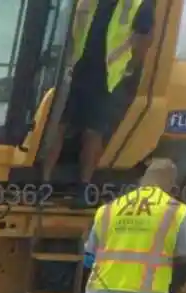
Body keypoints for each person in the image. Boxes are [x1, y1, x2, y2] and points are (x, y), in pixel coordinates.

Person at [43, 0, 157, 190]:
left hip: (106, 75)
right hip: (77, 68)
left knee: (92, 132)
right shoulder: (85, 2)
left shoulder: (137, 5)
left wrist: (131, 66)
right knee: (59, 125)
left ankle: (83, 187)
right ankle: (44, 183)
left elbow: (144, 38)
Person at [75, 156, 186, 293]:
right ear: (172, 186)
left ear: (141, 181)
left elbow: (90, 253)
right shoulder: (176, 210)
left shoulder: (108, 209)